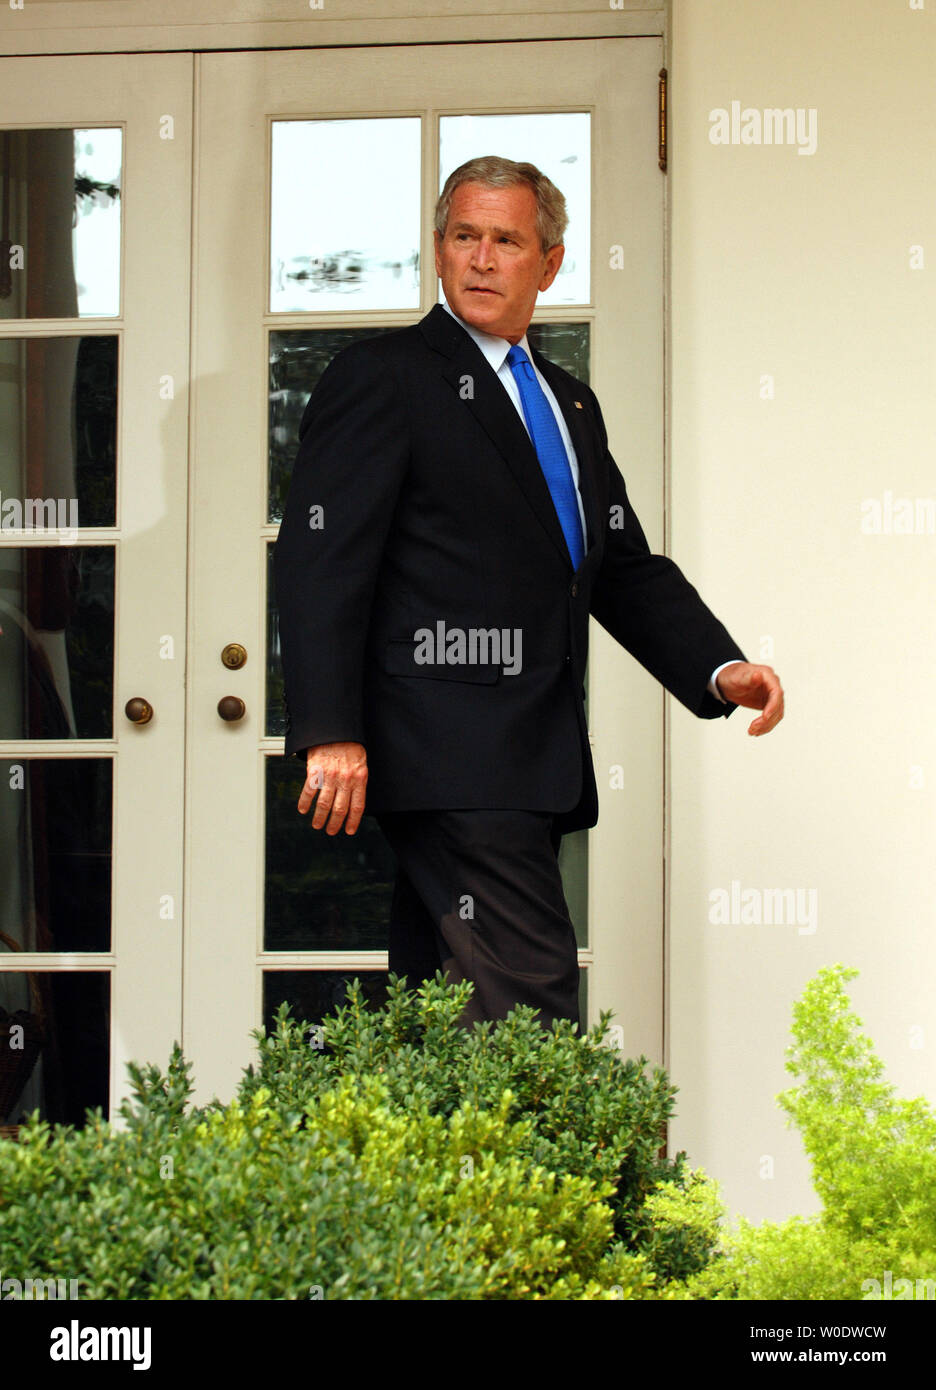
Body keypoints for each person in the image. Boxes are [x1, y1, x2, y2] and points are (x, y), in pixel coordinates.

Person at [273, 155, 784, 1031]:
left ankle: (413, 1162)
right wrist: (330, 730)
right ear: (438, 251)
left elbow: (617, 563)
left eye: (505, 240)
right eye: (464, 236)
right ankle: (551, 1170)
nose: (480, 258)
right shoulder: (385, 377)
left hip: (528, 758)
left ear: (547, 265)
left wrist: (720, 667)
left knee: (442, 1005)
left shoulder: (568, 404)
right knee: (528, 1004)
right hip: (445, 753)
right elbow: (322, 559)